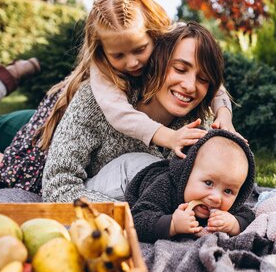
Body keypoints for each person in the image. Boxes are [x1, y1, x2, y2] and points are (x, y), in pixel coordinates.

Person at [0, 0, 235, 191]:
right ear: (102, 53)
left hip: (40, 121)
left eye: (139, 50)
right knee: (21, 172)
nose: (132, 63)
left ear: (155, 34)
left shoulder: (167, 40)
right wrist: (167, 136)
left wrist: (223, 111)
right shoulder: (103, 77)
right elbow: (120, 115)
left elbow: (206, 72)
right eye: (119, 56)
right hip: (54, 124)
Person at [41, 21, 229, 202]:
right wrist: (135, 218)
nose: (190, 86)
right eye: (180, 69)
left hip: (150, 209)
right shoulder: (97, 100)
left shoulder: (200, 118)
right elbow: (57, 186)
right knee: (140, 166)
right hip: (39, 136)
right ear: (156, 61)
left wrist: (225, 114)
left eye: (203, 79)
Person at [125, 129, 256, 243]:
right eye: (209, 183)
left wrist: (234, 224)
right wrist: (172, 224)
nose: (216, 198)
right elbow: (136, 221)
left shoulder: (229, 206)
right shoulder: (164, 188)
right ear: (187, 173)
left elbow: (249, 217)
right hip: (128, 170)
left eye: (228, 191)